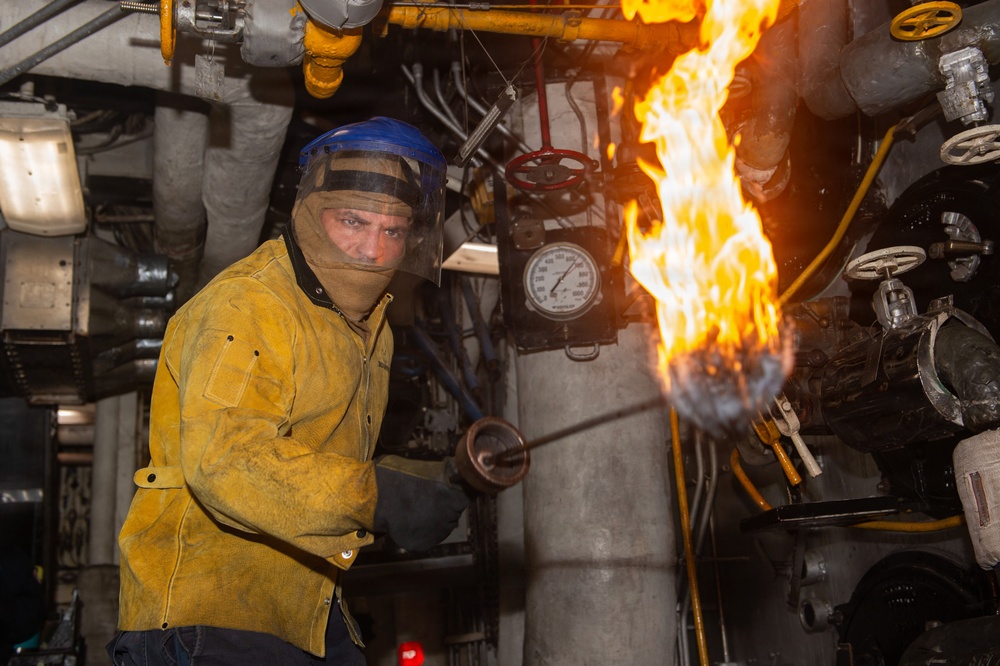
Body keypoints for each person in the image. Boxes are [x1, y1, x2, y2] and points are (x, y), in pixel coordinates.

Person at [107, 117, 470, 665]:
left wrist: (418, 480)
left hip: (306, 609)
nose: (372, 249)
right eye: (352, 221)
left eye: (392, 231)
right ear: (309, 213)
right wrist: (373, 494)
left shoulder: (373, 329)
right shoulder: (251, 305)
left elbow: (315, 459)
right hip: (212, 610)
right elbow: (226, 462)